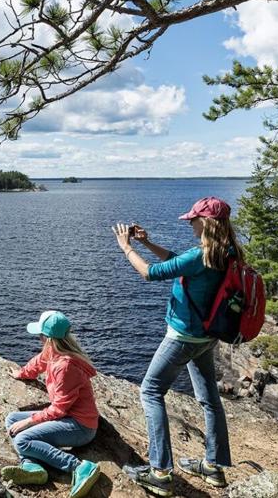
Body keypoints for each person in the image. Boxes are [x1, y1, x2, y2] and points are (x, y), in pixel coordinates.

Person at [112, 197, 241, 496]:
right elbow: (177, 261)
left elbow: (150, 273)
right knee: (210, 398)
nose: (190, 223)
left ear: (205, 223)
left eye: (193, 219)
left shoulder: (201, 255)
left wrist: (127, 247)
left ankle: (159, 472)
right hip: (207, 337)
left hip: (183, 338)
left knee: (150, 391)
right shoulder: (228, 252)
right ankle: (213, 467)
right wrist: (148, 243)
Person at [2, 310, 102, 497]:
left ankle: (79, 467)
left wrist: (30, 421)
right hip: (67, 418)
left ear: (47, 339)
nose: (39, 339)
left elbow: (59, 409)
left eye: (40, 335)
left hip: (80, 426)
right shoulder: (52, 352)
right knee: (12, 419)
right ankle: (33, 466)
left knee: (22, 440)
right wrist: (21, 373)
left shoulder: (65, 366)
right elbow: (37, 363)